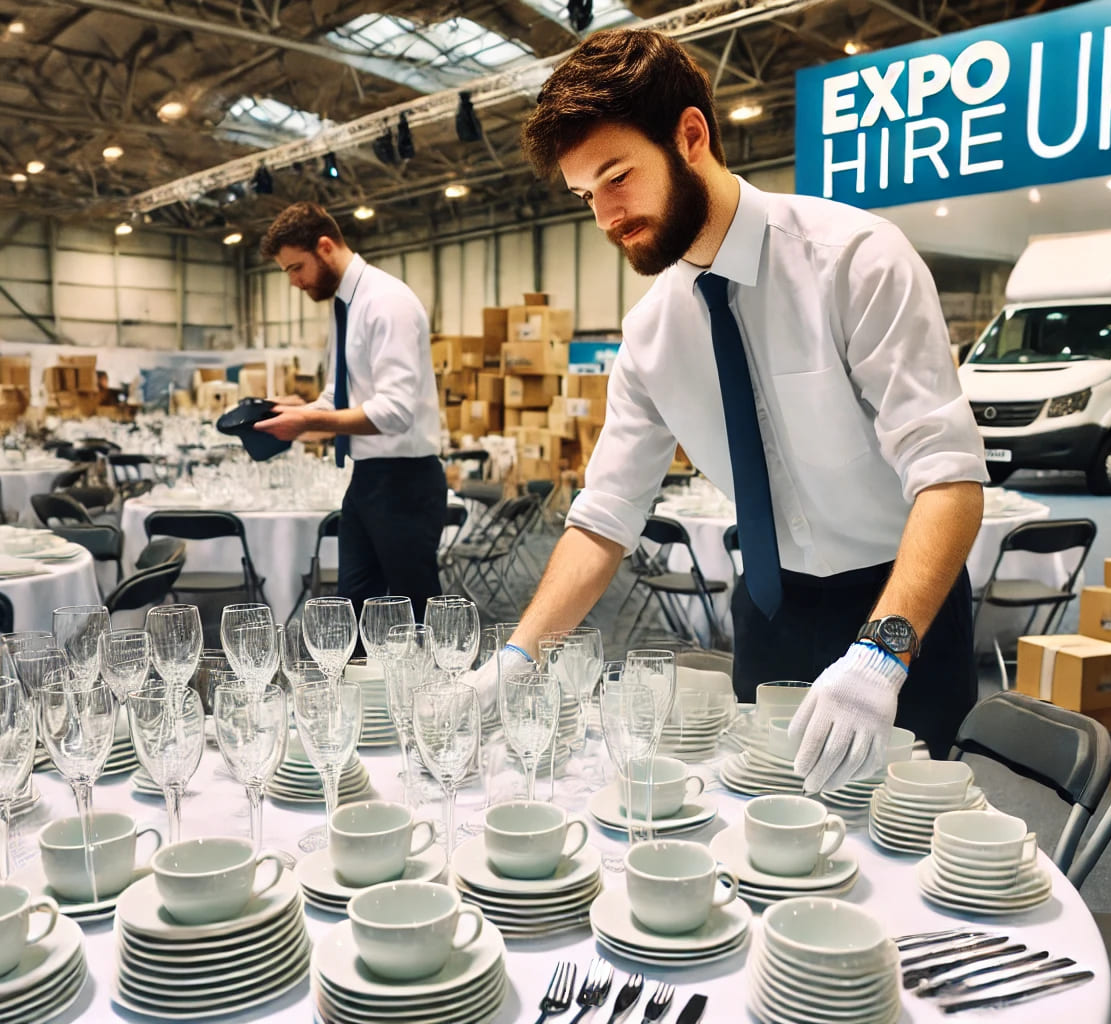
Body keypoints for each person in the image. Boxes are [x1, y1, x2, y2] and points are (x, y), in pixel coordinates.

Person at [484, 28, 988, 794]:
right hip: (768, 610)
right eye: (586, 195)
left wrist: (882, 652)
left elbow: (949, 478)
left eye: (617, 177)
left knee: (906, 854)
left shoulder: (855, 258)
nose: (605, 218)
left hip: (900, 612)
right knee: (767, 844)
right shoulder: (652, 333)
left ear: (691, 135)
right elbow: (604, 518)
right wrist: (519, 657)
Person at [254, 202, 447, 617]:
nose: (293, 283)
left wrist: (308, 420)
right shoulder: (347, 306)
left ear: (324, 247)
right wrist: (294, 409)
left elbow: (394, 412)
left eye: (294, 268)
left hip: (406, 481)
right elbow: (340, 398)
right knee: (354, 607)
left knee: (417, 613)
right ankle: (359, 681)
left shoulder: (385, 301)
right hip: (368, 477)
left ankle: (437, 682)